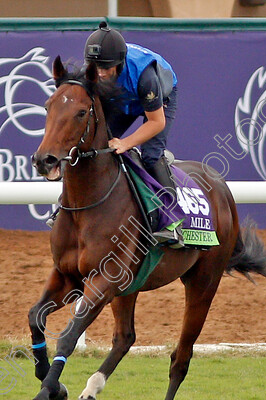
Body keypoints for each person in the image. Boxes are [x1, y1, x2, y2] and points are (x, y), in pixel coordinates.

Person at [84, 21, 181, 244]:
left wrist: (126, 143)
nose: (100, 74)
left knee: (150, 156)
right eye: (95, 68)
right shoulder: (94, 70)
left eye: (106, 69)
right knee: (96, 147)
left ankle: (173, 221)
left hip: (158, 97)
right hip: (124, 97)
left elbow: (156, 122)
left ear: (118, 63)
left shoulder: (145, 77)